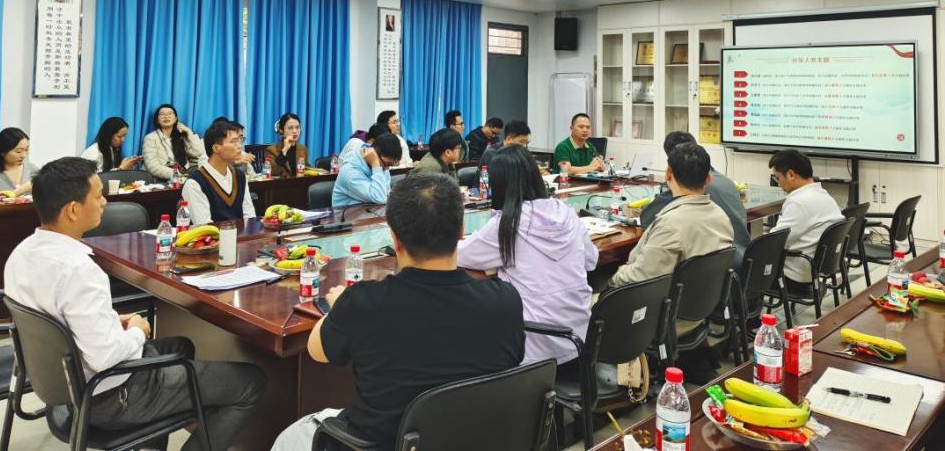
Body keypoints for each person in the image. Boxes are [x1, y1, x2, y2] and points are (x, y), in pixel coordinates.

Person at [4, 157, 266, 451]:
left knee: (181, 347)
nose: (104, 202)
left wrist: (111, 322)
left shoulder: (21, 254)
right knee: (250, 383)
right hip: (111, 397)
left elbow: (58, 321)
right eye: (98, 196)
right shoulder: (79, 269)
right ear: (73, 210)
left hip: (64, 384)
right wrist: (137, 331)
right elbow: (105, 358)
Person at [271, 173, 524, 450]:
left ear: (394, 237)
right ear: (462, 230)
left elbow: (317, 351)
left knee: (289, 438)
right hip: (476, 440)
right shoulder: (506, 300)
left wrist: (339, 305)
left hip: (380, 443)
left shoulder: (363, 303)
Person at [458, 146, 596, 368]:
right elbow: (591, 260)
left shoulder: (507, 224)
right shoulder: (566, 213)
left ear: (499, 185)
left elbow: (460, 255)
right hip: (580, 342)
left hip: (534, 353)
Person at [606, 143, 733, 296]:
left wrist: (613, 277)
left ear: (668, 175)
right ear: (708, 178)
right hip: (704, 302)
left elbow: (641, 277)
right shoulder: (721, 216)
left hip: (663, 306)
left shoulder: (670, 224)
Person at [640, 131, 748, 266]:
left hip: (719, 267)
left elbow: (646, 218)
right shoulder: (726, 182)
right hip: (742, 259)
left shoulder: (689, 187)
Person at [769, 149, 844, 296]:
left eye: (778, 178)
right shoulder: (824, 196)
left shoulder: (799, 202)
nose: (778, 184)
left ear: (791, 175)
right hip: (815, 270)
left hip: (793, 278)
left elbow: (774, 243)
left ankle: (750, 310)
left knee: (743, 269)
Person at [182, 121, 256, 225]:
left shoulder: (240, 176)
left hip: (242, 234)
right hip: (213, 235)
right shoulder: (194, 183)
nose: (240, 146)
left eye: (240, 140)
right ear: (216, 148)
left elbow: (250, 216)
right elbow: (204, 226)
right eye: (233, 141)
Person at [331, 133, 402, 208]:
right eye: (387, 164)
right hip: (347, 214)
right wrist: (376, 165)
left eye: (390, 165)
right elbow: (380, 198)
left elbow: (386, 195)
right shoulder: (349, 171)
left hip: (370, 211)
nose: (386, 169)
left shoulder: (382, 164)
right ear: (374, 153)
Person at [0, 128, 41, 203]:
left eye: (26, 150)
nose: (23, 155)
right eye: (18, 151)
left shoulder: (32, 169)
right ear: (3, 152)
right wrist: (20, 191)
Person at [142, 104, 205, 180]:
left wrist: (189, 132)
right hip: (161, 181)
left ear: (175, 119)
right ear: (157, 120)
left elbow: (198, 152)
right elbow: (152, 166)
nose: (166, 116)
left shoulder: (181, 137)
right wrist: (177, 175)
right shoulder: (150, 138)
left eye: (170, 114)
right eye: (162, 114)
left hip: (184, 178)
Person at [264, 113, 310, 179]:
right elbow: (273, 172)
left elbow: (307, 169)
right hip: (281, 184)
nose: (295, 131)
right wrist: (285, 150)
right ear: (281, 130)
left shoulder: (302, 148)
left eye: (297, 127)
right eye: (290, 128)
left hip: (301, 183)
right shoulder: (271, 150)